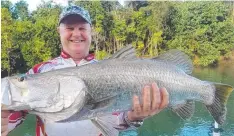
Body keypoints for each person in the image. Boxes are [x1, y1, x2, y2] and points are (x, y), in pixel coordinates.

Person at [1, 5, 169, 136]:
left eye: (82, 28)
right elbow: (13, 116)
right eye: (69, 28)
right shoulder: (38, 71)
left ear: (90, 32)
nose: (76, 33)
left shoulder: (112, 71)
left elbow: (115, 121)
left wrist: (134, 117)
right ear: (59, 31)